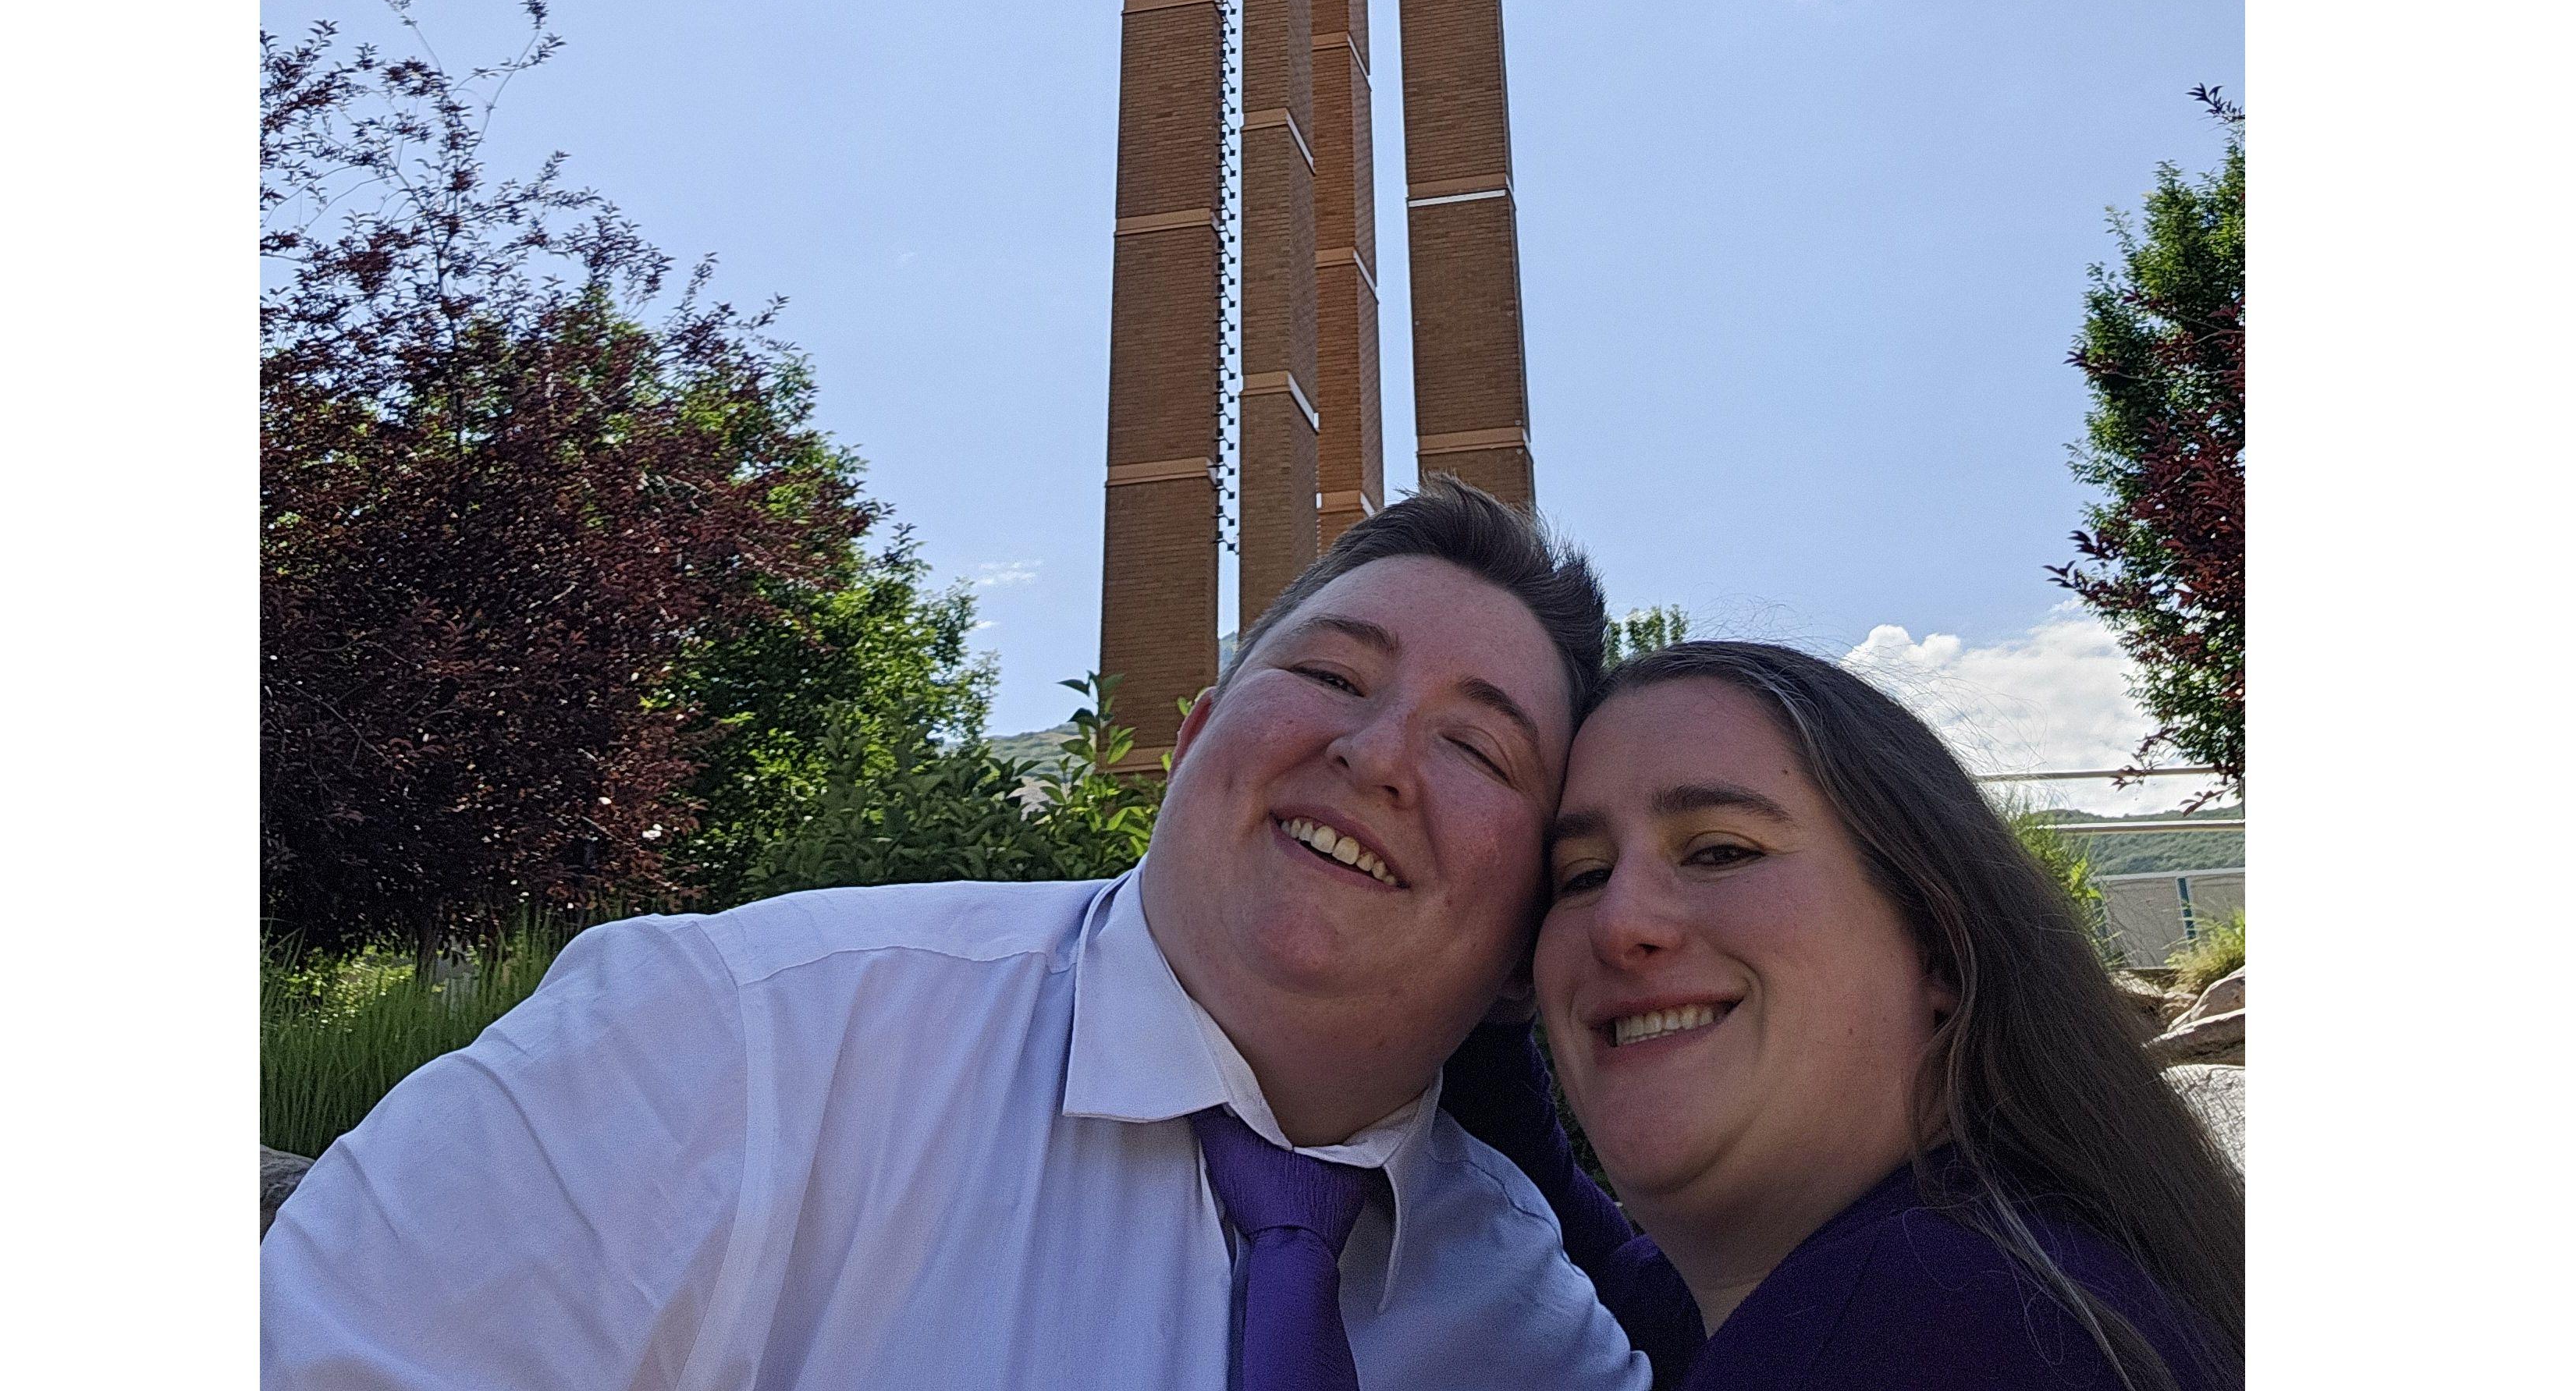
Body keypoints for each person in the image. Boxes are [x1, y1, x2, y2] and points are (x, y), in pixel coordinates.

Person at [263, 478, 1651, 1391]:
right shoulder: (732, 1045)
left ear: (1534, 926)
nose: (1376, 753)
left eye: (1478, 746)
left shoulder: (1532, 1325)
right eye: (1330, 674)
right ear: (1188, 744)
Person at [1442, 640, 2243, 1390]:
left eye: (1720, 850)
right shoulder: (2014, 1268)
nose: (1619, 923)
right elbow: (1573, 1251)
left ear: (1937, 944)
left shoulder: (1936, 1332)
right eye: (1581, 876)